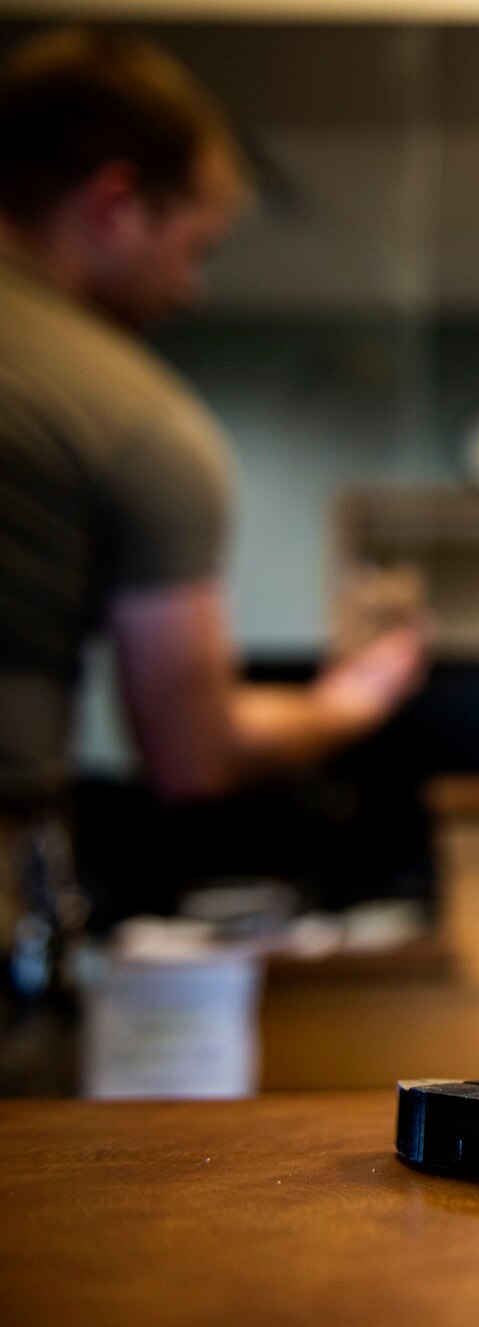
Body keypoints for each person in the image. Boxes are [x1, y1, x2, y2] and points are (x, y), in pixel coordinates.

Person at [0, 31, 426, 1054]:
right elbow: (193, 749)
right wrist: (349, 699)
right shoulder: (131, 415)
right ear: (113, 204)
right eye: (194, 246)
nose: (191, 290)